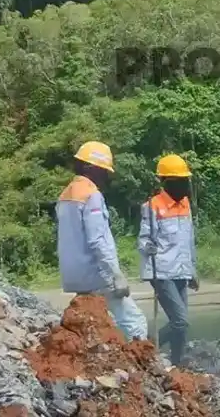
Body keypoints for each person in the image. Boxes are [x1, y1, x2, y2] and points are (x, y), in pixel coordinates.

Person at [56, 141, 148, 341]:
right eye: (103, 171)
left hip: (74, 276)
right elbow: (97, 240)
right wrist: (115, 275)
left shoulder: (65, 196)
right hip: (96, 275)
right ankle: (140, 364)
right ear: (91, 168)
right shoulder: (91, 195)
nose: (107, 176)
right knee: (135, 323)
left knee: (94, 325)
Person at [138, 153, 199, 366]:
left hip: (182, 270)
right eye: (179, 180)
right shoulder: (152, 206)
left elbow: (189, 240)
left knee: (181, 326)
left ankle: (177, 364)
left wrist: (193, 270)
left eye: (185, 180)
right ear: (166, 182)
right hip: (162, 271)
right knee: (180, 322)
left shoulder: (185, 205)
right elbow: (143, 240)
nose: (184, 184)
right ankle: (144, 350)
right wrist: (149, 246)